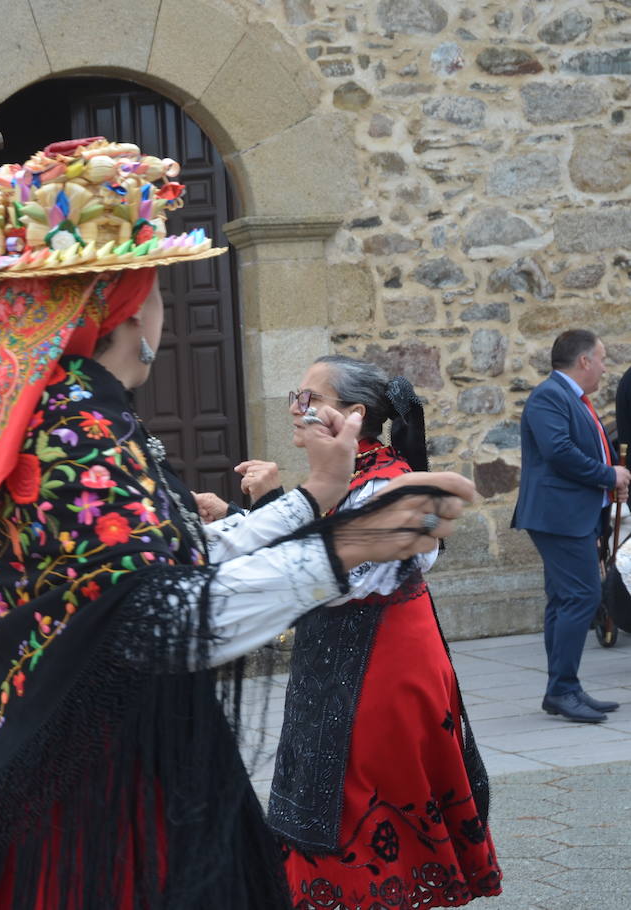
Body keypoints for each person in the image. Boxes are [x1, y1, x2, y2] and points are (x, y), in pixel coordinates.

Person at [0, 138, 478, 910]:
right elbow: (158, 619)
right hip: (85, 798)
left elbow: (169, 562)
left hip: (105, 760)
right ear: (124, 305)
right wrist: (343, 546)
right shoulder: (71, 437)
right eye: (155, 286)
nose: (164, 306)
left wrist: (314, 501)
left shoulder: (82, 420)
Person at [261, 356, 501, 908]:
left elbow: (332, 577)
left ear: (354, 414)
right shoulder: (343, 479)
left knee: (366, 809)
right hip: (347, 668)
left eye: (310, 399)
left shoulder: (388, 485)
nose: (298, 411)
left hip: (379, 675)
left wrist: (264, 516)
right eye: (295, 398)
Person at [512, 329, 629, 723]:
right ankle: (563, 689)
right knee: (582, 597)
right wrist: (608, 476)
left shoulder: (573, 398)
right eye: (601, 358)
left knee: (565, 600)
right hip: (558, 516)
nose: (604, 367)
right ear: (584, 361)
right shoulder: (550, 395)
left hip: (571, 515)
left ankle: (564, 689)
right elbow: (559, 452)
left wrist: (612, 479)